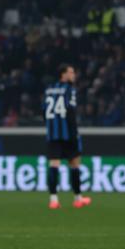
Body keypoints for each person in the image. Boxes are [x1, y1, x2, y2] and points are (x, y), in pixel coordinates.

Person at [43, 64, 91, 209]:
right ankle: (77, 198)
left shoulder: (49, 89)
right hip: (68, 133)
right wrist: (74, 132)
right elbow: (70, 111)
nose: (74, 75)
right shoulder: (70, 90)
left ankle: (53, 200)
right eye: (71, 72)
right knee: (75, 164)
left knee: (54, 165)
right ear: (63, 74)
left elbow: (43, 111)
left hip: (52, 133)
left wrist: (50, 126)